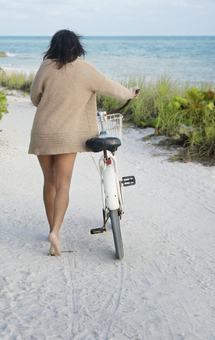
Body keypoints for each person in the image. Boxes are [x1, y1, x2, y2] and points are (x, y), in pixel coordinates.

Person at [28, 30, 139, 256]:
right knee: (63, 184)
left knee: (49, 182)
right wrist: (131, 92)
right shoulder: (86, 70)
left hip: (43, 132)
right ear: (77, 47)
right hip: (68, 136)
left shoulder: (46, 66)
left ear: (53, 46)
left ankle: (52, 230)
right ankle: (55, 234)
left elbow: (34, 98)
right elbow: (112, 88)